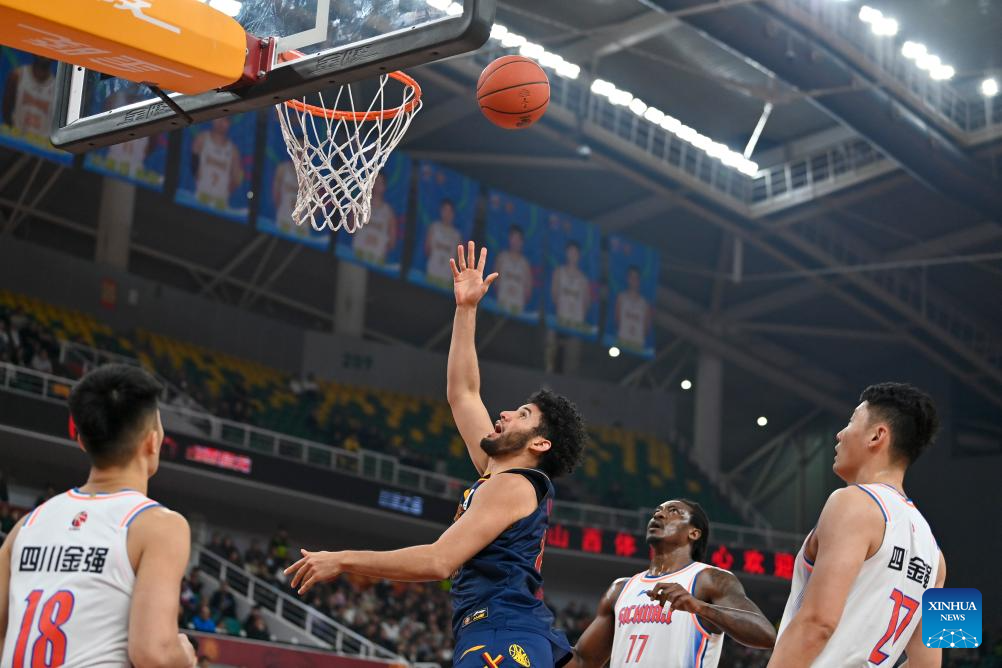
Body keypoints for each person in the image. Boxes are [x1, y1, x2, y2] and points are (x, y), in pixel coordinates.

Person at [285, 241, 587, 668]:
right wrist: (466, 309)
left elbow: (439, 560)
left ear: (539, 444)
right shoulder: (497, 471)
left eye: (522, 415)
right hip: (511, 632)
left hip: (501, 634)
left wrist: (342, 559)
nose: (504, 413)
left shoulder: (513, 485)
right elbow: (463, 393)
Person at [0, 364, 196, 667]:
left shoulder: (26, 526)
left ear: (81, 440)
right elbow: (153, 653)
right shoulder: (159, 526)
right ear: (153, 441)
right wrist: (184, 656)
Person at [768, 383, 945, 667]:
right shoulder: (937, 557)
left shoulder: (852, 503)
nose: (840, 434)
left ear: (877, 435)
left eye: (851, 422)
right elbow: (929, 664)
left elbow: (818, 623)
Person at [570, 499, 775, 668]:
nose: (658, 515)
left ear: (694, 533)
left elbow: (765, 635)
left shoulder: (708, 579)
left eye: (673, 511)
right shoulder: (620, 589)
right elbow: (583, 661)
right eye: (656, 511)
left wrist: (699, 607)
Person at [192, 117, 243, 210]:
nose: (221, 123)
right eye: (219, 119)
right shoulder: (202, 139)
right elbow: (193, 165)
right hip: (201, 197)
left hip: (220, 203)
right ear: (213, 119)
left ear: (230, 124)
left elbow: (236, 178)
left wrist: (226, 191)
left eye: (225, 120)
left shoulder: (233, 151)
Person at [1, 56, 56, 139]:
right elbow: (6, 108)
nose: (44, 56)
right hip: (16, 139)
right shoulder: (17, 75)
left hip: (42, 144)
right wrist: (13, 133)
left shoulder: (57, 88)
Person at [353, 173, 398, 266]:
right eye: (375, 182)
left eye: (380, 183)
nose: (377, 185)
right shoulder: (360, 203)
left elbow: (392, 241)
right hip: (357, 256)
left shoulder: (388, 212)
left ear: (384, 187)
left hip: (377, 260)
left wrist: (380, 247)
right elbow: (350, 227)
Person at [551, 240, 591, 330]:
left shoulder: (584, 279)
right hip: (560, 319)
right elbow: (554, 295)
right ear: (566, 253)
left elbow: (587, 303)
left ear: (579, 255)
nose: (572, 255)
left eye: (575, 253)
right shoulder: (558, 272)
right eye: (570, 252)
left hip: (576, 322)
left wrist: (579, 318)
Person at [494, 225, 533, 315]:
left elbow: (528, 289)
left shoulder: (525, 264)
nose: (515, 242)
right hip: (500, 306)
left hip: (517, 309)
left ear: (522, 242)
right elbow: (494, 281)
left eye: (518, 239)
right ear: (509, 239)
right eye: (513, 238)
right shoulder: (501, 257)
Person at [424, 199, 461, 287]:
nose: (447, 214)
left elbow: (459, 259)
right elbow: (427, 250)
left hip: (447, 278)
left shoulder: (457, 235)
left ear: (453, 214)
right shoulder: (434, 227)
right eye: (445, 210)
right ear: (441, 212)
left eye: (449, 211)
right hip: (432, 273)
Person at [615, 266, 652, 351]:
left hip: (637, 344)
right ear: (627, 279)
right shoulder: (621, 297)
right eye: (631, 277)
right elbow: (617, 319)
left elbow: (647, 327)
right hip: (622, 341)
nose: (634, 280)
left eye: (636, 277)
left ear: (639, 280)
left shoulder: (645, 303)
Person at [272, 159, 302, 235]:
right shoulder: (283, 168)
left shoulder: (311, 175)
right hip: (284, 214)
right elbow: (276, 192)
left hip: (301, 221)